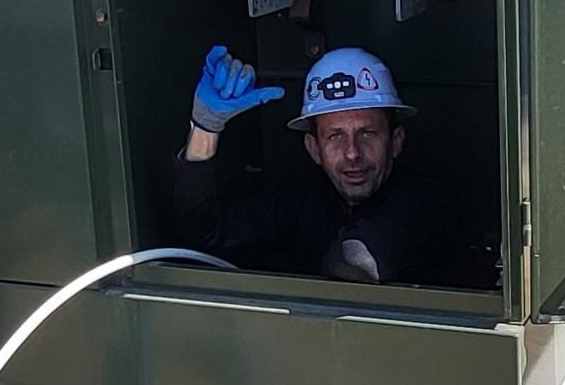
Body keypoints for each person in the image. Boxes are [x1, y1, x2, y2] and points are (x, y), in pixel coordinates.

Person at [171, 44, 433, 284]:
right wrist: (206, 126)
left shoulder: (421, 203)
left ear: (396, 142)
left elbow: (357, 262)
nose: (352, 153)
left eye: (367, 133)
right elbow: (204, 234)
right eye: (335, 136)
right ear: (314, 149)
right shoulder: (303, 199)